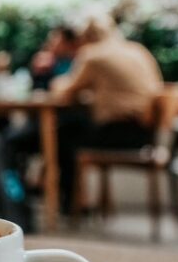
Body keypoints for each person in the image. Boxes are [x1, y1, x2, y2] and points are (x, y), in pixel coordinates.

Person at [52, 15, 164, 212]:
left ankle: (71, 203)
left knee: (61, 135)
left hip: (118, 133)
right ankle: (77, 201)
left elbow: (65, 91)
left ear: (86, 37)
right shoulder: (137, 50)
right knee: (73, 130)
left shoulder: (94, 54)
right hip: (146, 134)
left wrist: (56, 82)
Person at [31, 24, 80, 90]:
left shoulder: (77, 62)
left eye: (55, 39)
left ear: (68, 43)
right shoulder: (51, 62)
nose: (51, 43)